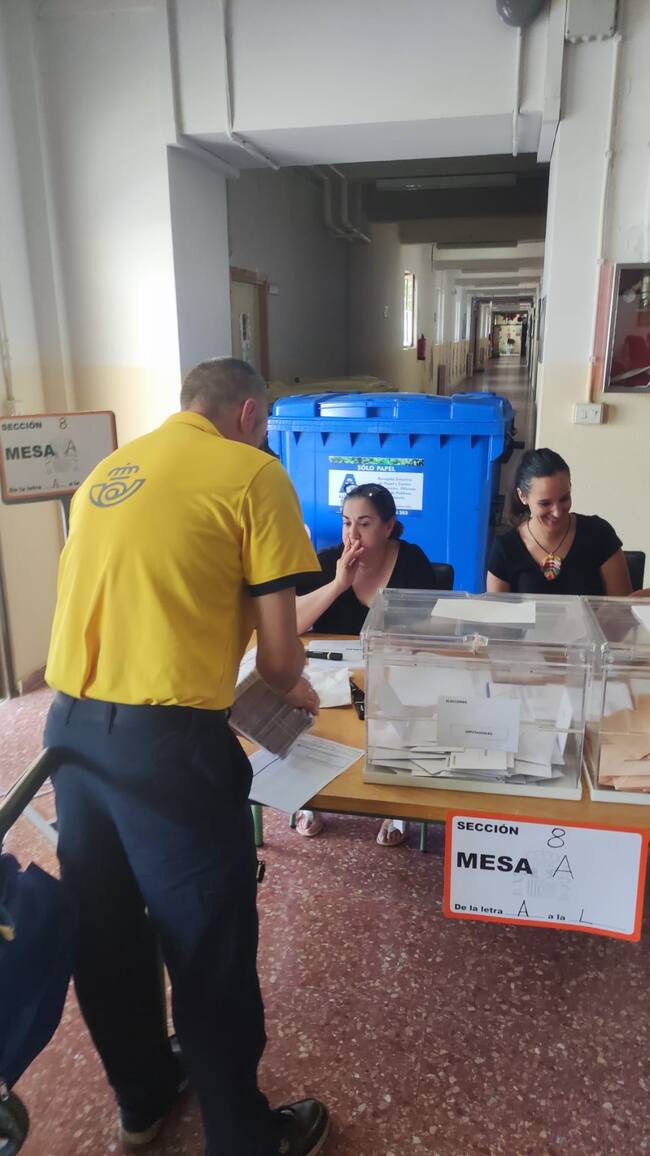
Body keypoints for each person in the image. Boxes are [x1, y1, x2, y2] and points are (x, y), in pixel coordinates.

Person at [43, 358, 330, 1156]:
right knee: (208, 940)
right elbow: (278, 662)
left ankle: (142, 1099)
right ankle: (243, 1139)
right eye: (265, 424)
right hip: (169, 751)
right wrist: (292, 687)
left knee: (105, 929)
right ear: (247, 413)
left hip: (67, 733)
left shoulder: (113, 468)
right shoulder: (252, 473)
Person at [294, 483, 438, 846]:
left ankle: (396, 804)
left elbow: (431, 625)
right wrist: (338, 584)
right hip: (333, 672)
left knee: (406, 710)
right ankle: (310, 798)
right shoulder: (329, 561)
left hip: (393, 670)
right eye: (346, 523)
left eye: (365, 524)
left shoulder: (412, 560)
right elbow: (293, 623)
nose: (351, 535)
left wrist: (408, 638)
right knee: (308, 712)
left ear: (389, 526)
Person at [487, 448, 632, 596]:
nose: (557, 512)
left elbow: (620, 608)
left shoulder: (599, 533)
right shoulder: (505, 549)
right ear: (523, 496)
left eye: (564, 499)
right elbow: (499, 614)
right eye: (545, 503)